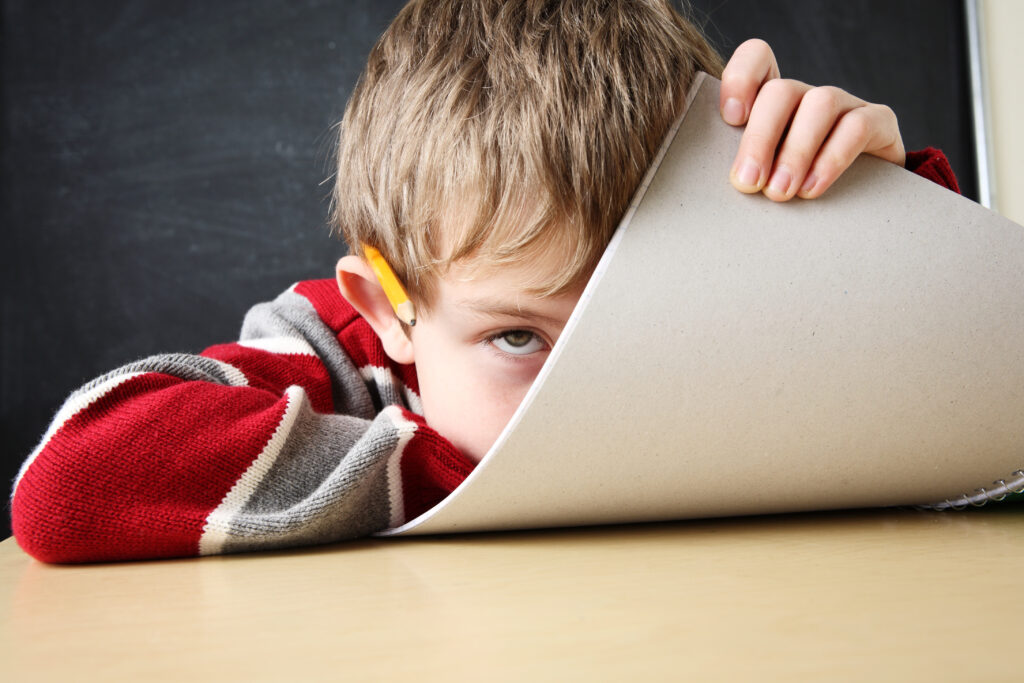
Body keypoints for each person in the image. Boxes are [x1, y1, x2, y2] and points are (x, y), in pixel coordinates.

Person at [10, 0, 959, 563]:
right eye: (520, 339)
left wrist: (877, 223)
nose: (590, 402)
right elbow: (69, 482)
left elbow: (978, 438)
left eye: (635, 319)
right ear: (393, 312)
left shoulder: (733, 297)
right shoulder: (331, 352)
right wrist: (499, 484)